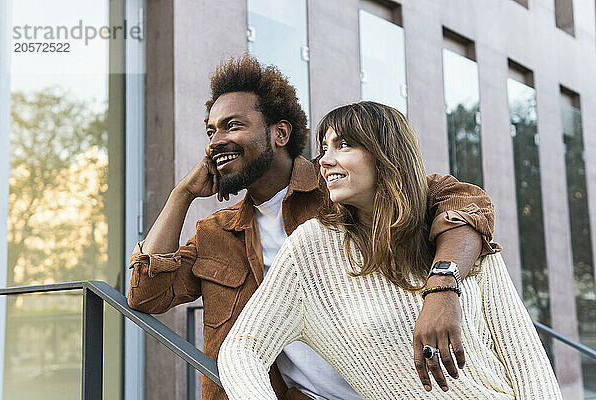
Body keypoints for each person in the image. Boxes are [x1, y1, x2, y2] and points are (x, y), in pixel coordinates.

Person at [127, 56, 499, 399]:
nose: (215, 143)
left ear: (280, 134)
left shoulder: (340, 185)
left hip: (397, 387)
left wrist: (443, 288)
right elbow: (146, 294)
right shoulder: (218, 233)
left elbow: (464, 202)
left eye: (232, 126)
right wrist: (182, 194)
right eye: (210, 132)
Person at [218, 101, 562, 399]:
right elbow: (242, 348)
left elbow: (526, 360)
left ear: (386, 154)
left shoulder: (459, 232)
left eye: (343, 145)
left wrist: (442, 289)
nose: (324, 160)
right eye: (324, 148)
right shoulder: (312, 248)